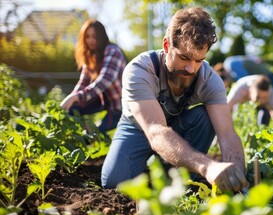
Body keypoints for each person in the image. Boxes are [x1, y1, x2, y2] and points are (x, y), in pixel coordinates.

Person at [101, 7, 248, 192]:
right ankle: (155, 166)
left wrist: (238, 178)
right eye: (184, 58)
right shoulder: (140, 70)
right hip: (138, 127)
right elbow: (156, 132)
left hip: (178, 125)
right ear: (166, 46)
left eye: (198, 60)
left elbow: (227, 135)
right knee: (115, 184)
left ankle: (177, 178)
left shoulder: (210, 80)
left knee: (205, 117)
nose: (191, 69)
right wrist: (207, 166)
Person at [60, 19, 126, 138]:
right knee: (71, 109)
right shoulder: (91, 55)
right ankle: (80, 133)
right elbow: (83, 82)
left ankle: (102, 149)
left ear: (102, 37)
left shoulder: (113, 51)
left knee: (97, 134)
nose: (91, 40)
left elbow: (104, 81)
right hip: (102, 100)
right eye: (88, 37)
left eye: (95, 37)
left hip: (119, 106)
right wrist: (71, 98)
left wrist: (76, 96)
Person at [227, 74, 273, 140]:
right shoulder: (240, 89)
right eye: (258, 97)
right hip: (242, 106)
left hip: (263, 109)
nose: (261, 101)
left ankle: (260, 137)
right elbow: (224, 111)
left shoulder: (272, 95)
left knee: (264, 114)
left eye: (264, 98)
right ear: (251, 90)